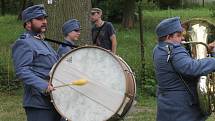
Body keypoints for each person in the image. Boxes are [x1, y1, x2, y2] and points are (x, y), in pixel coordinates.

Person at [153, 17, 215, 121]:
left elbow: (181, 63)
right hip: (182, 110)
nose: (182, 38)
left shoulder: (159, 49)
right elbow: (191, 67)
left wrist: (207, 49)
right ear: (168, 37)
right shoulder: (174, 50)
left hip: (168, 105)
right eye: (178, 35)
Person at [12, 4, 62, 121]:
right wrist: (44, 85)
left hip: (53, 101)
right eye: (39, 19)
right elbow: (22, 70)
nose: (44, 21)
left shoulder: (43, 42)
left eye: (44, 18)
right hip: (38, 103)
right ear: (28, 23)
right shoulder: (24, 43)